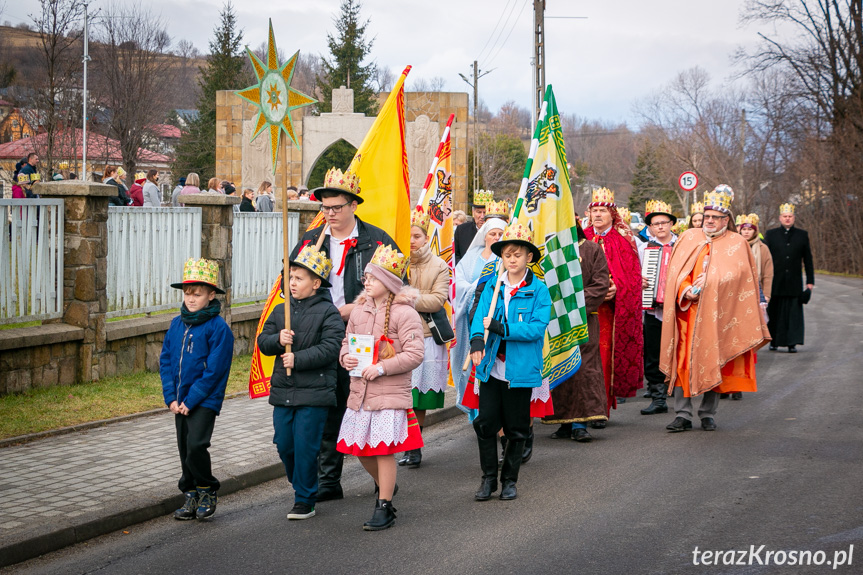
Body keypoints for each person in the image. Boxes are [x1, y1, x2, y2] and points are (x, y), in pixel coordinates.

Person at [290, 167, 398, 502]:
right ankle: (329, 480)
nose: (330, 214)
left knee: (363, 405)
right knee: (325, 405)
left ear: (353, 205)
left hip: (362, 333)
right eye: (325, 208)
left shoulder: (376, 240)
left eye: (337, 207)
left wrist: (360, 305)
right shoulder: (311, 241)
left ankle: (383, 480)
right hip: (322, 334)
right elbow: (289, 283)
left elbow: (396, 284)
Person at [660, 186, 771, 433]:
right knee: (683, 365)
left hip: (720, 315)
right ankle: (682, 414)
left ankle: (708, 413)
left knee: (714, 360)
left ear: (726, 220)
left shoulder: (737, 243)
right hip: (688, 314)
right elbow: (676, 274)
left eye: (715, 217)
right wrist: (685, 289)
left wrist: (713, 282)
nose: (709, 221)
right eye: (706, 216)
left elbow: (743, 279)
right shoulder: (689, 237)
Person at [338, 244, 424, 530]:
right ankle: (386, 486)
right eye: (366, 277)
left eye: (373, 278)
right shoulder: (359, 311)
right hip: (360, 393)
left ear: (388, 282)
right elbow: (345, 344)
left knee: (382, 449)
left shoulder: (404, 313)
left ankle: (384, 505)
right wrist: (345, 357)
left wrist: (383, 367)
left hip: (388, 394)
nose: (367, 282)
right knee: (360, 449)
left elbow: (415, 354)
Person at [257, 246, 344, 521]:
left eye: (299, 278)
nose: (292, 283)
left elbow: (331, 349)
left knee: (306, 446)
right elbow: (263, 342)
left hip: (315, 391)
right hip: (284, 391)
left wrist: (298, 358)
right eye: (290, 277)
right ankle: (303, 485)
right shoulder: (281, 311)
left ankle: (305, 499)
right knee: (285, 444)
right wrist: (277, 340)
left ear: (316, 283)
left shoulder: (329, 312)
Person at [469, 223, 551, 502]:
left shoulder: (539, 290)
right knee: (485, 424)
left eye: (518, 254)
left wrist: (504, 329)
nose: (512, 259)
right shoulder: (493, 285)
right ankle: (488, 479)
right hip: (492, 367)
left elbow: (537, 329)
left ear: (529, 257)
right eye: (507, 255)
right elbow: (480, 318)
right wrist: (477, 340)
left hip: (521, 369)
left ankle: (509, 481)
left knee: (517, 429)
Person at [160, 258, 234, 520]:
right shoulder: (177, 324)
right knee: (183, 447)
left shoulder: (219, 329)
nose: (191, 299)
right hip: (180, 400)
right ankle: (190, 493)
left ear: (211, 295)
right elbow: (166, 360)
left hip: (204, 400)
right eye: (188, 293)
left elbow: (214, 371)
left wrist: (191, 400)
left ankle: (207, 488)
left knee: (196, 445)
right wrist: (171, 397)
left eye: (198, 294)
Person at [542, 219, 610, 442]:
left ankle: (580, 423)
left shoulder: (592, 249)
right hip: (556, 322)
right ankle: (562, 421)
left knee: (583, 368)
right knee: (560, 365)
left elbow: (600, 284)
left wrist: (574, 304)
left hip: (584, 320)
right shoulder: (549, 250)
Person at [582, 188, 644, 422]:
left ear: (612, 214)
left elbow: (633, 277)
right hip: (584, 309)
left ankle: (600, 410)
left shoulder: (623, 240)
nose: (597, 215)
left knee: (602, 359)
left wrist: (618, 287)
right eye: (594, 210)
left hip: (609, 313)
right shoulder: (583, 236)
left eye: (602, 211)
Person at [398, 210, 450, 468]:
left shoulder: (439, 266)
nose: (411, 240)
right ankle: (406, 444)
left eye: (416, 235)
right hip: (400, 336)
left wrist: (407, 298)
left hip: (427, 336)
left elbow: (437, 300)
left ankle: (415, 447)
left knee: (418, 397)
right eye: (407, 235)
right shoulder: (398, 262)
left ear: (426, 237)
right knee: (401, 395)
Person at [453, 219, 506, 415]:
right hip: (467, 317)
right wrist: (475, 287)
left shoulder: (503, 260)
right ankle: (473, 411)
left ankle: (488, 410)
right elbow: (458, 281)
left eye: (500, 234)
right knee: (468, 365)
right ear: (484, 235)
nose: (496, 237)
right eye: (493, 234)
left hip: (490, 318)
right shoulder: (472, 256)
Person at [637, 200, 678, 416]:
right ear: (650, 228)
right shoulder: (644, 249)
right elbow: (636, 273)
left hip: (678, 308)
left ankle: (681, 394)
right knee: (652, 352)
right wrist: (640, 281)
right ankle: (658, 396)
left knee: (677, 350)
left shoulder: (682, 246)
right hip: (652, 309)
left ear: (671, 223)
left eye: (663, 222)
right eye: (655, 224)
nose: (660, 227)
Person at [764, 203, 814, 353]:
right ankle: (773, 342)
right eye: (785, 216)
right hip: (775, 281)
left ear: (794, 218)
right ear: (780, 218)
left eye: (790, 216)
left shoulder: (802, 235)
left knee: (793, 314)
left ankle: (792, 343)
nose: (787, 219)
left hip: (794, 282)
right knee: (775, 313)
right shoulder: (771, 234)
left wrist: (810, 282)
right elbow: (766, 259)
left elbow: (808, 259)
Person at [454, 190, 492, 264]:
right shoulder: (461, 230)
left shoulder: (496, 232)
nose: (482, 216)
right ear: (473, 212)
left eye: (485, 212)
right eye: (479, 212)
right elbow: (455, 255)